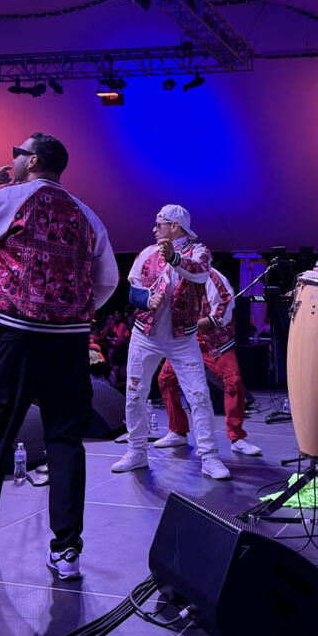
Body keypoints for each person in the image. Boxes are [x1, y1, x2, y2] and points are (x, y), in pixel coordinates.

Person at [0, 132, 118, 579]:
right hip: (70, 338)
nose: (11, 159)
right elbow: (107, 280)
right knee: (65, 440)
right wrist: (72, 310)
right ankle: (67, 550)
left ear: (32, 160)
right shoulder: (88, 214)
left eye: (16, 153)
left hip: (20, 333)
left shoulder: (10, 196)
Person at [112, 205, 231, 480]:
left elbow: (200, 273)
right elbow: (133, 292)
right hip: (145, 335)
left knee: (199, 395)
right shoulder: (147, 253)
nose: (154, 229)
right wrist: (147, 300)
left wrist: (174, 258)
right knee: (135, 393)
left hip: (182, 339)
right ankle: (136, 451)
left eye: (159, 224)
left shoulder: (199, 252)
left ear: (174, 226)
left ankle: (209, 457)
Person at [157, 265, 262, 457]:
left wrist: (190, 325)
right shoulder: (173, 277)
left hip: (214, 341)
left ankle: (237, 438)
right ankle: (177, 431)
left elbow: (222, 312)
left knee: (233, 382)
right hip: (186, 342)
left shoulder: (213, 277)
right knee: (166, 379)